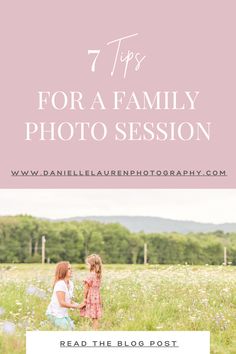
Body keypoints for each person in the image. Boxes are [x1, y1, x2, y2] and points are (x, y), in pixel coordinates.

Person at [46, 261, 79, 330]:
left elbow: (68, 300)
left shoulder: (71, 284)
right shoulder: (60, 284)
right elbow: (62, 303)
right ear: (63, 271)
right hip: (54, 314)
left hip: (63, 314)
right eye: (69, 269)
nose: (71, 270)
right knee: (68, 330)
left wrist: (79, 305)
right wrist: (75, 306)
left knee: (73, 328)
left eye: (71, 268)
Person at [80, 254, 102, 330]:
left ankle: (94, 330)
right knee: (95, 317)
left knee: (93, 317)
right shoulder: (98, 274)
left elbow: (86, 288)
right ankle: (95, 329)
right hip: (97, 297)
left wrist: (84, 298)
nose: (87, 266)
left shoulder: (90, 275)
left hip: (91, 297)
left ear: (92, 265)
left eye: (87, 264)